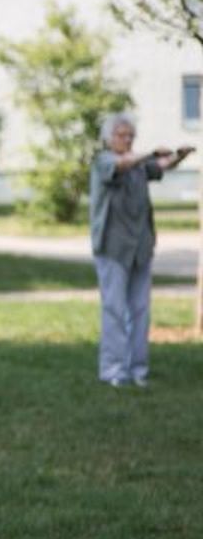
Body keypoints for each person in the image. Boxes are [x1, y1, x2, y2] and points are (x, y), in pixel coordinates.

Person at [88, 112, 193, 387]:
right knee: (114, 308)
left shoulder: (138, 164)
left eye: (130, 135)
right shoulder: (104, 161)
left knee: (140, 310)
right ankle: (113, 370)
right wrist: (148, 154)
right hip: (112, 247)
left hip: (141, 246)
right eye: (122, 135)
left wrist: (180, 156)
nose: (127, 140)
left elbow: (161, 166)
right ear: (109, 138)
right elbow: (122, 165)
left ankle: (137, 370)